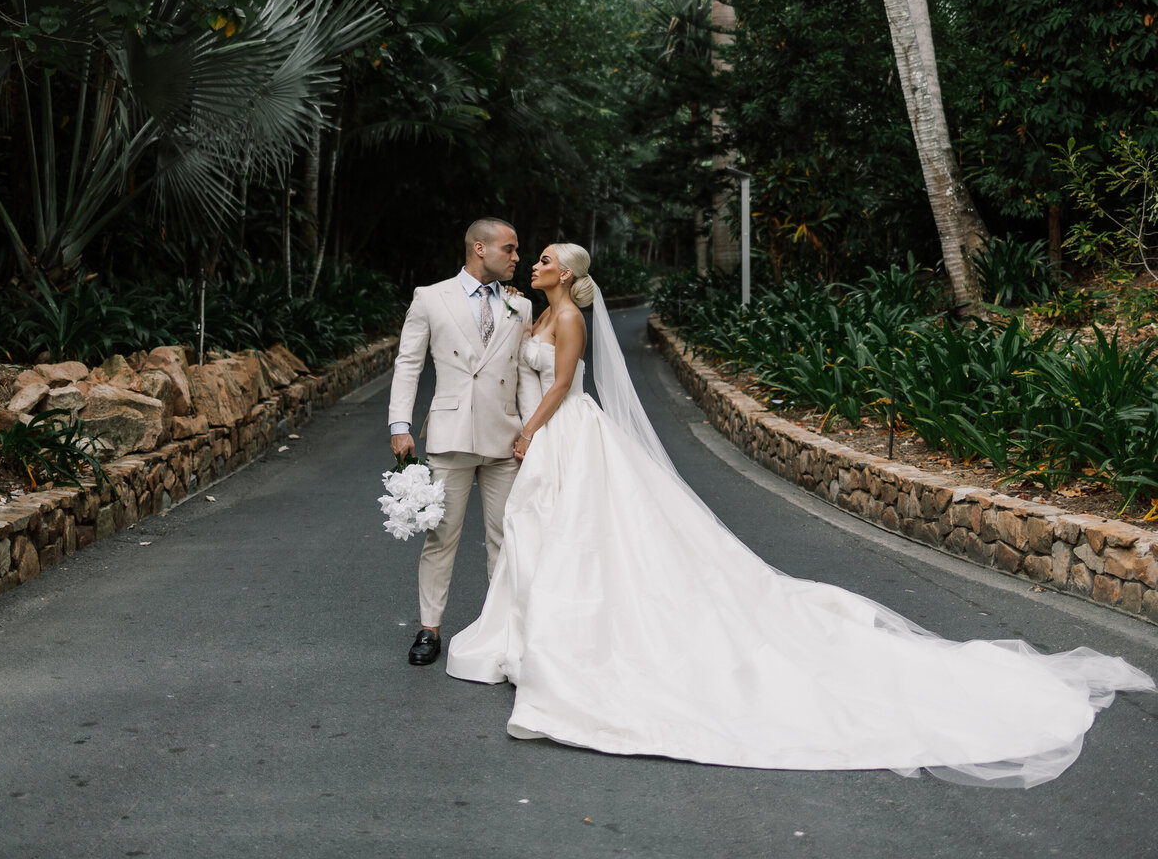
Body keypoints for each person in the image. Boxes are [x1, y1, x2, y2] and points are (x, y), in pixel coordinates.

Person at [447, 242, 1155, 787]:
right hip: (551, 439)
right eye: (532, 256)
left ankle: (570, 641)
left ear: (566, 276)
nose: (533, 261)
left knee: (582, 538)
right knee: (547, 535)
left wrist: (529, 429)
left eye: (543, 259)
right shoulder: (535, 310)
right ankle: (525, 632)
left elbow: (565, 382)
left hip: (565, 432)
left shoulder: (567, 317)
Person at [387, 218, 534, 666]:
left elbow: (526, 377)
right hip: (450, 435)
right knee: (440, 538)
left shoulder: (521, 308)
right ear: (479, 249)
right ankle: (429, 629)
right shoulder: (431, 298)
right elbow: (408, 363)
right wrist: (399, 425)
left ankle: (503, 629)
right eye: (508, 249)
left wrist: (531, 433)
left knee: (505, 540)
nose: (516, 257)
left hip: (505, 438)